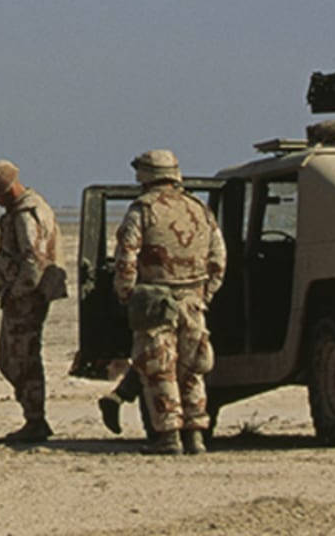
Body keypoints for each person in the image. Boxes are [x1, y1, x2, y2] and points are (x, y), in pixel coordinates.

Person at [112, 149, 226, 456]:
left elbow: (126, 258)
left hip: (155, 301)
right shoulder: (199, 209)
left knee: (159, 370)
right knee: (192, 370)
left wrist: (127, 295)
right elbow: (218, 258)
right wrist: (205, 293)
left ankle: (168, 436)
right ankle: (196, 436)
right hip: (194, 300)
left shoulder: (143, 210)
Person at [0, 158, 66, 445]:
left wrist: (18, 291)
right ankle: (33, 416)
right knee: (10, 358)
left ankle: (35, 419)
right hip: (23, 296)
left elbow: (34, 260)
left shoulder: (28, 213)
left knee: (22, 358)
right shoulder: (24, 210)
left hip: (27, 298)